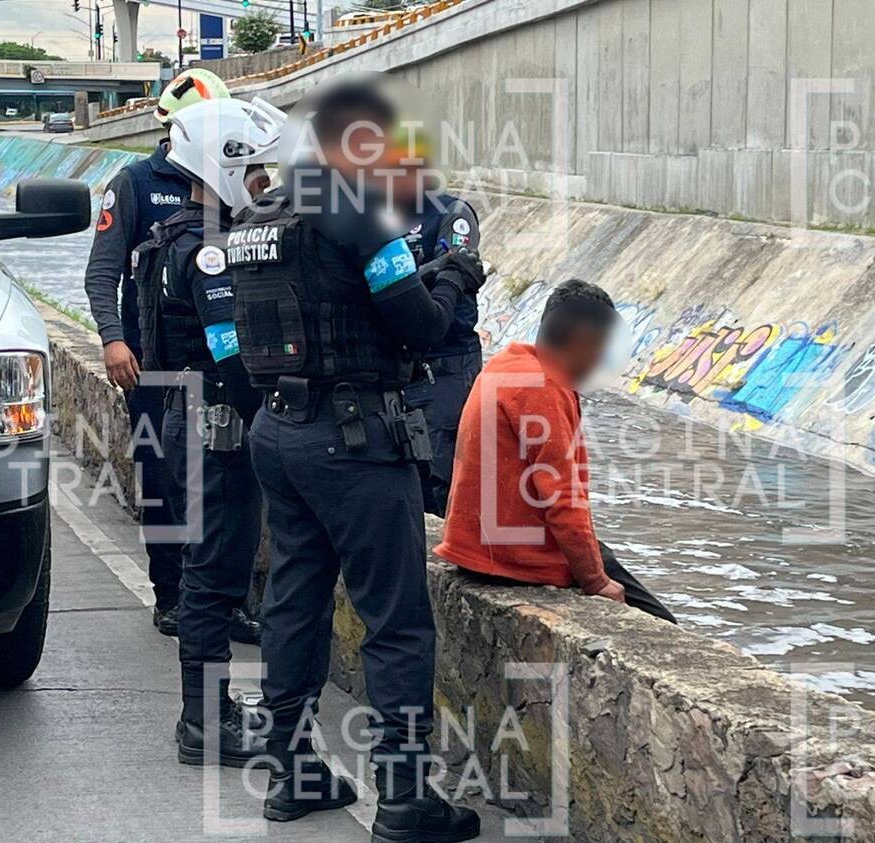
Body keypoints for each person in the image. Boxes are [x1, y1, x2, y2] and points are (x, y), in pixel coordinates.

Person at [227, 79, 486, 841]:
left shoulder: (252, 218)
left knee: (293, 604)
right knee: (396, 621)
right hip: (356, 442)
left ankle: (291, 772)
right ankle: (405, 799)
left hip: (277, 433)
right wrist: (458, 270)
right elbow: (422, 326)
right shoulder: (358, 218)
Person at [131, 96, 285, 766]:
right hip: (213, 423)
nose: (262, 185)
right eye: (253, 171)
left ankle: (210, 708)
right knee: (214, 574)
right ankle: (204, 719)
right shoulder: (211, 256)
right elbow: (234, 359)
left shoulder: (171, 239)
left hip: (180, 412)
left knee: (204, 567)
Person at [85, 68, 264, 641]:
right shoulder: (135, 183)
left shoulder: (232, 187)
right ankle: (171, 597)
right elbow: (102, 273)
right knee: (162, 483)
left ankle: (223, 601)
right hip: (152, 364)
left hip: (215, 367)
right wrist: (114, 340)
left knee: (227, 490)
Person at [435, 279, 678, 624]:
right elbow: (563, 499)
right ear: (584, 343)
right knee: (660, 622)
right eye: (601, 349)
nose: (599, 363)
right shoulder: (544, 387)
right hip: (512, 560)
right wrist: (596, 581)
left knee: (603, 556)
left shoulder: (505, 365)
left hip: (478, 548)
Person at [402, 193, 483, 517]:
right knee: (407, 477)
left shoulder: (451, 212)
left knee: (446, 478)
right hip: (400, 367)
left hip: (447, 365)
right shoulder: (374, 216)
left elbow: (457, 269)